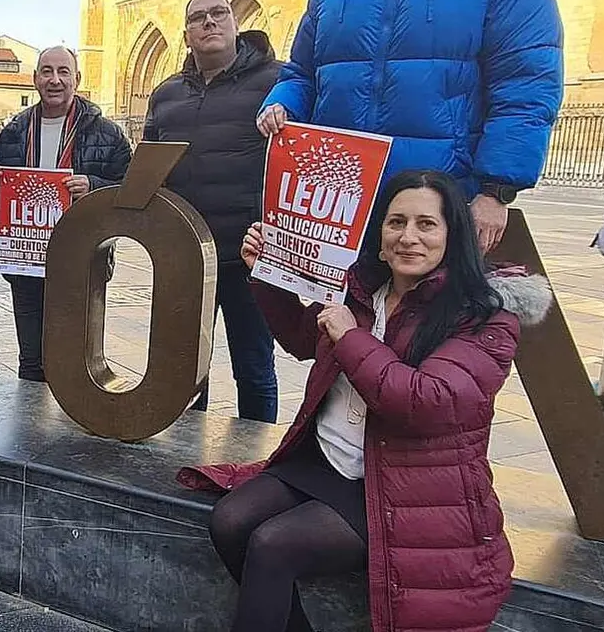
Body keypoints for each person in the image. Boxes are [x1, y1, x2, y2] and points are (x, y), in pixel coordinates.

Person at [178, 171, 550, 632]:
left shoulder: (482, 315)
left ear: (452, 235)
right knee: (231, 520)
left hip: (401, 483)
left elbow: (427, 403)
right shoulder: (361, 290)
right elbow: (302, 338)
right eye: (396, 223)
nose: (408, 237)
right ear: (379, 234)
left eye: (426, 225)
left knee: (275, 544)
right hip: (324, 460)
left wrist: (352, 338)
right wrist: (266, 278)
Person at [257, 0, 565, 254]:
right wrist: (282, 102)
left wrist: (496, 190)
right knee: (332, 310)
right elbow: (301, 74)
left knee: (426, 309)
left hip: (438, 210)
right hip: (339, 210)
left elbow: (526, 86)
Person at [143, 0, 281, 423]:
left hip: (249, 255)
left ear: (236, 24)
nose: (209, 22)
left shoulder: (276, 82)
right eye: (198, 17)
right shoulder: (166, 95)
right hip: (187, 257)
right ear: (186, 35)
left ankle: (257, 458)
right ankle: (182, 453)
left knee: (254, 369)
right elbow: (147, 166)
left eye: (219, 14)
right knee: (183, 370)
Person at [0, 46, 133, 381]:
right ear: (35, 80)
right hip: (26, 261)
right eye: (46, 71)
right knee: (31, 359)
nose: (55, 79)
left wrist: (93, 185)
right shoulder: (16, 129)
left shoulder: (107, 133)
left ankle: (70, 428)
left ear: (77, 79)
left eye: (63, 72)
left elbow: (131, 194)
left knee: (76, 357)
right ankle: (30, 426)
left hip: (82, 260)